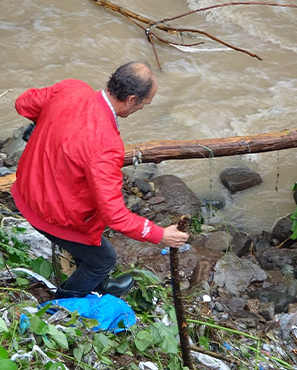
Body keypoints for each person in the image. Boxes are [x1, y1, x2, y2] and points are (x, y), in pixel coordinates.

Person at [11, 61, 189, 299]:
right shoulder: (105, 145)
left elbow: (23, 103)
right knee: (104, 259)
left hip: (26, 189)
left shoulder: (71, 88)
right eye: (144, 105)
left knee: (92, 245)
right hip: (49, 215)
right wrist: (159, 234)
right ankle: (61, 305)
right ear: (131, 100)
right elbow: (114, 215)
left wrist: (47, 123)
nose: (142, 109)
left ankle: (97, 285)